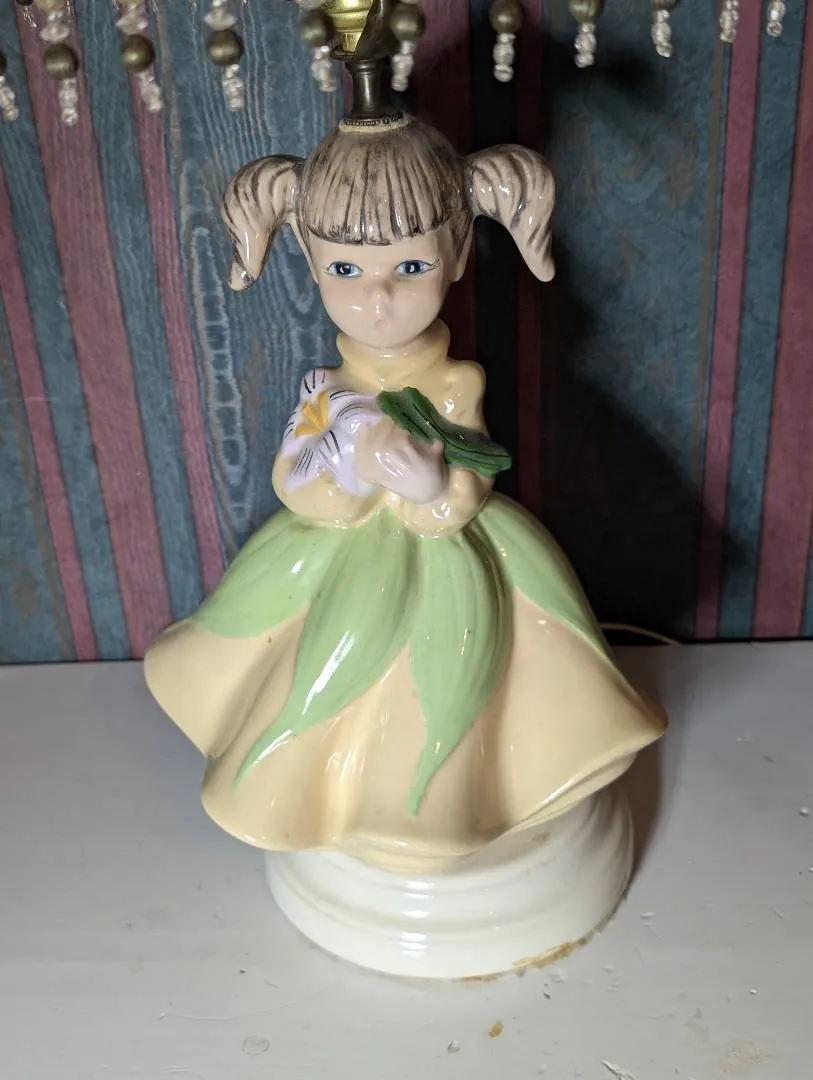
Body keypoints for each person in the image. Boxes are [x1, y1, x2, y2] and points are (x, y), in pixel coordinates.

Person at [144, 112, 666, 873]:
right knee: (320, 656)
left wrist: (431, 489)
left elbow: (470, 479)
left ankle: (426, 805)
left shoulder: (455, 385)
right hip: (334, 553)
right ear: (309, 261)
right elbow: (293, 479)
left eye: (410, 267)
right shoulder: (325, 388)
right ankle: (311, 788)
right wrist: (343, 480)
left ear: (457, 255)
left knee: (449, 661)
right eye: (345, 271)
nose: (377, 298)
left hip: (438, 551)